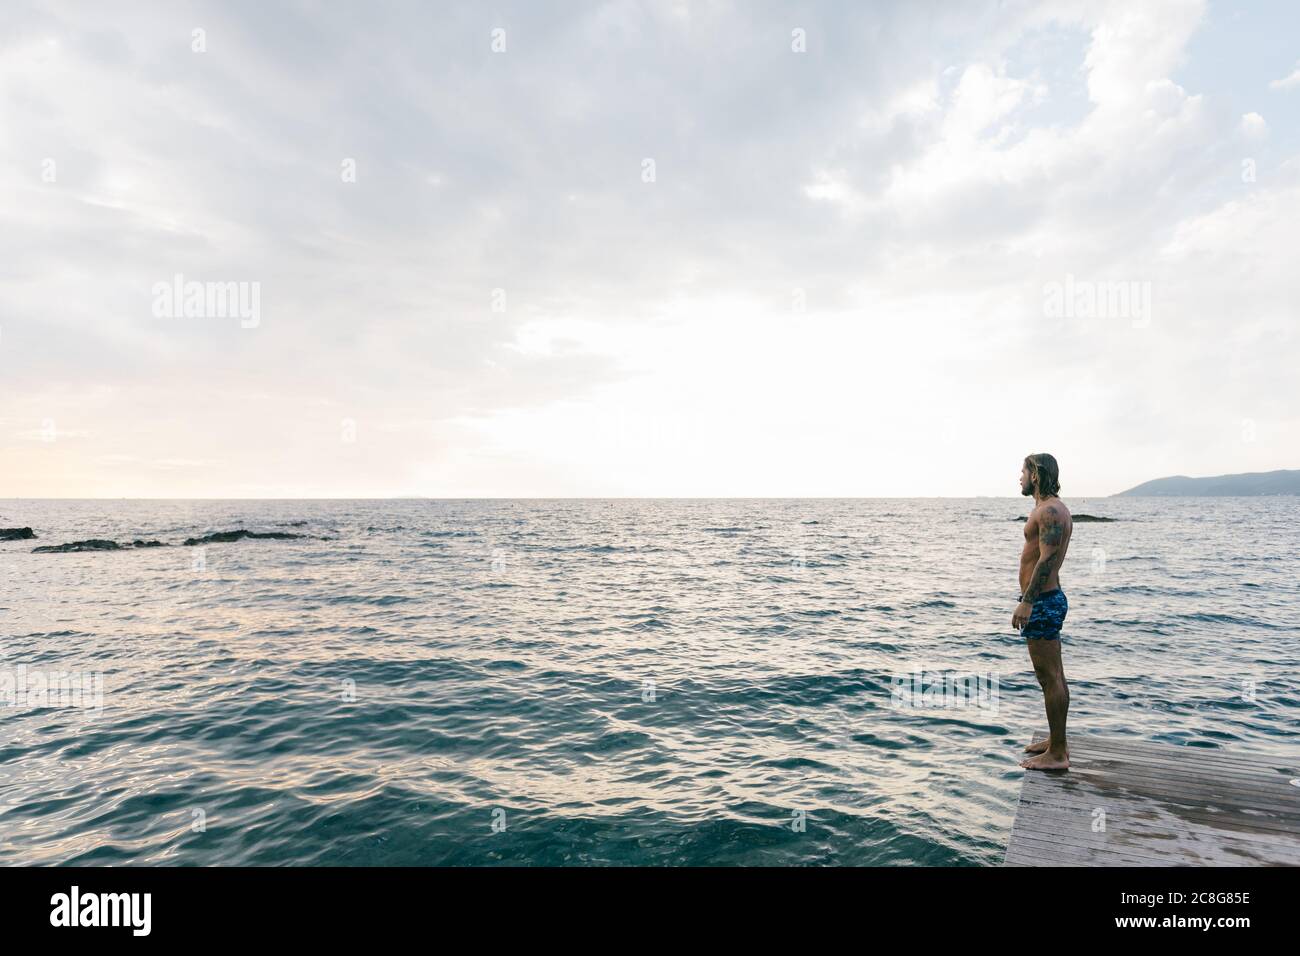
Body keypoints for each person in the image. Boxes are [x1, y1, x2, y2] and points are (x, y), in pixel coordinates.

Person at [1014, 453, 1073, 770]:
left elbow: (1047, 559)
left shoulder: (1050, 511)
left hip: (1043, 600)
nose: (1019, 478)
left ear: (1035, 474)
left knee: (1049, 678)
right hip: (1047, 599)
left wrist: (1028, 600)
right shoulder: (1050, 508)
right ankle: (1056, 740)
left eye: (1022, 471)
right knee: (1055, 677)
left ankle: (1059, 753)